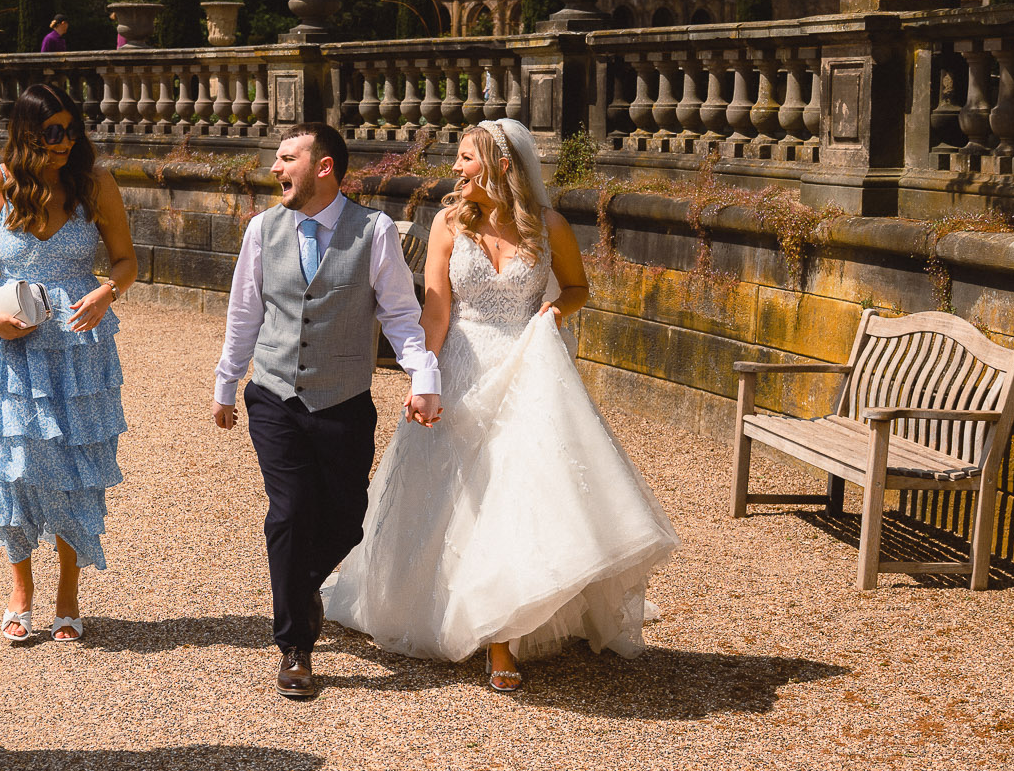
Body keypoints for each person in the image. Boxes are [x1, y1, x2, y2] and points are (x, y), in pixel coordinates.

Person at [323, 120, 679, 691]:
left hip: (527, 368)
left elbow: (577, 289)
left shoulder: (548, 226)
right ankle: (450, 607)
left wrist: (553, 312)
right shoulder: (447, 224)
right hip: (462, 368)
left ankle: (501, 638)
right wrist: (423, 378)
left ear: (501, 164)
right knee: (457, 494)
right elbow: (436, 312)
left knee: (515, 493)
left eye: (466, 158)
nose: (455, 168)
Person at [210, 122, 442, 700]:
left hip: (343, 399)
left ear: (323, 167)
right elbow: (244, 312)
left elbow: (400, 314)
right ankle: (294, 647)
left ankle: (301, 584)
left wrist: (424, 376)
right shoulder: (262, 230)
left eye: (286, 157)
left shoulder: (375, 230)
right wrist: (226, 383)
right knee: (289, 513)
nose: (274, 168)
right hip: (274, 395)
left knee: (346, 520)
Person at [0, 83, 135, 643]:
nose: (65, 142)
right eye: (53, 132)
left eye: (72, 131)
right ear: (26, 132)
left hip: (80, 347)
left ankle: (69, 592)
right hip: (15, 346)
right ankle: (20, 590)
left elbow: (126, 261)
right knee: (16, 466)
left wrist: (107, 292)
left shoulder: (94, 183)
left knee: (76, 466)